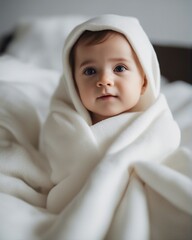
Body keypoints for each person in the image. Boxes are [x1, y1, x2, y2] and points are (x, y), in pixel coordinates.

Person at [0, 14, 191, 240]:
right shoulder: (64, 124)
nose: (104, 80)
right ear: (73, 84)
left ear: (144, 81)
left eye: (119, 68)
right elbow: (57, 165)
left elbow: (163, 148)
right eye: (90, 71)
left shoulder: (154, 122)